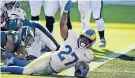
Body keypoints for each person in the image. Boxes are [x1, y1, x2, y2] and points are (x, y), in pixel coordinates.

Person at [0, 1, 96, 77]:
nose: (84, 41)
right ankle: (2, 68)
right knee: (26, 71)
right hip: (49, 59)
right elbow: (62, 24)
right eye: (83, 38)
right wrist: (65, 12)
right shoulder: (72, 37)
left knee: (30, 65)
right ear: (80, 36)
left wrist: (82, 68)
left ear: (91, 43)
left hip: (53, 69)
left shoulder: (88, 55)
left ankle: (12, 60)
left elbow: (81, 66)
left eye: (87, 40)